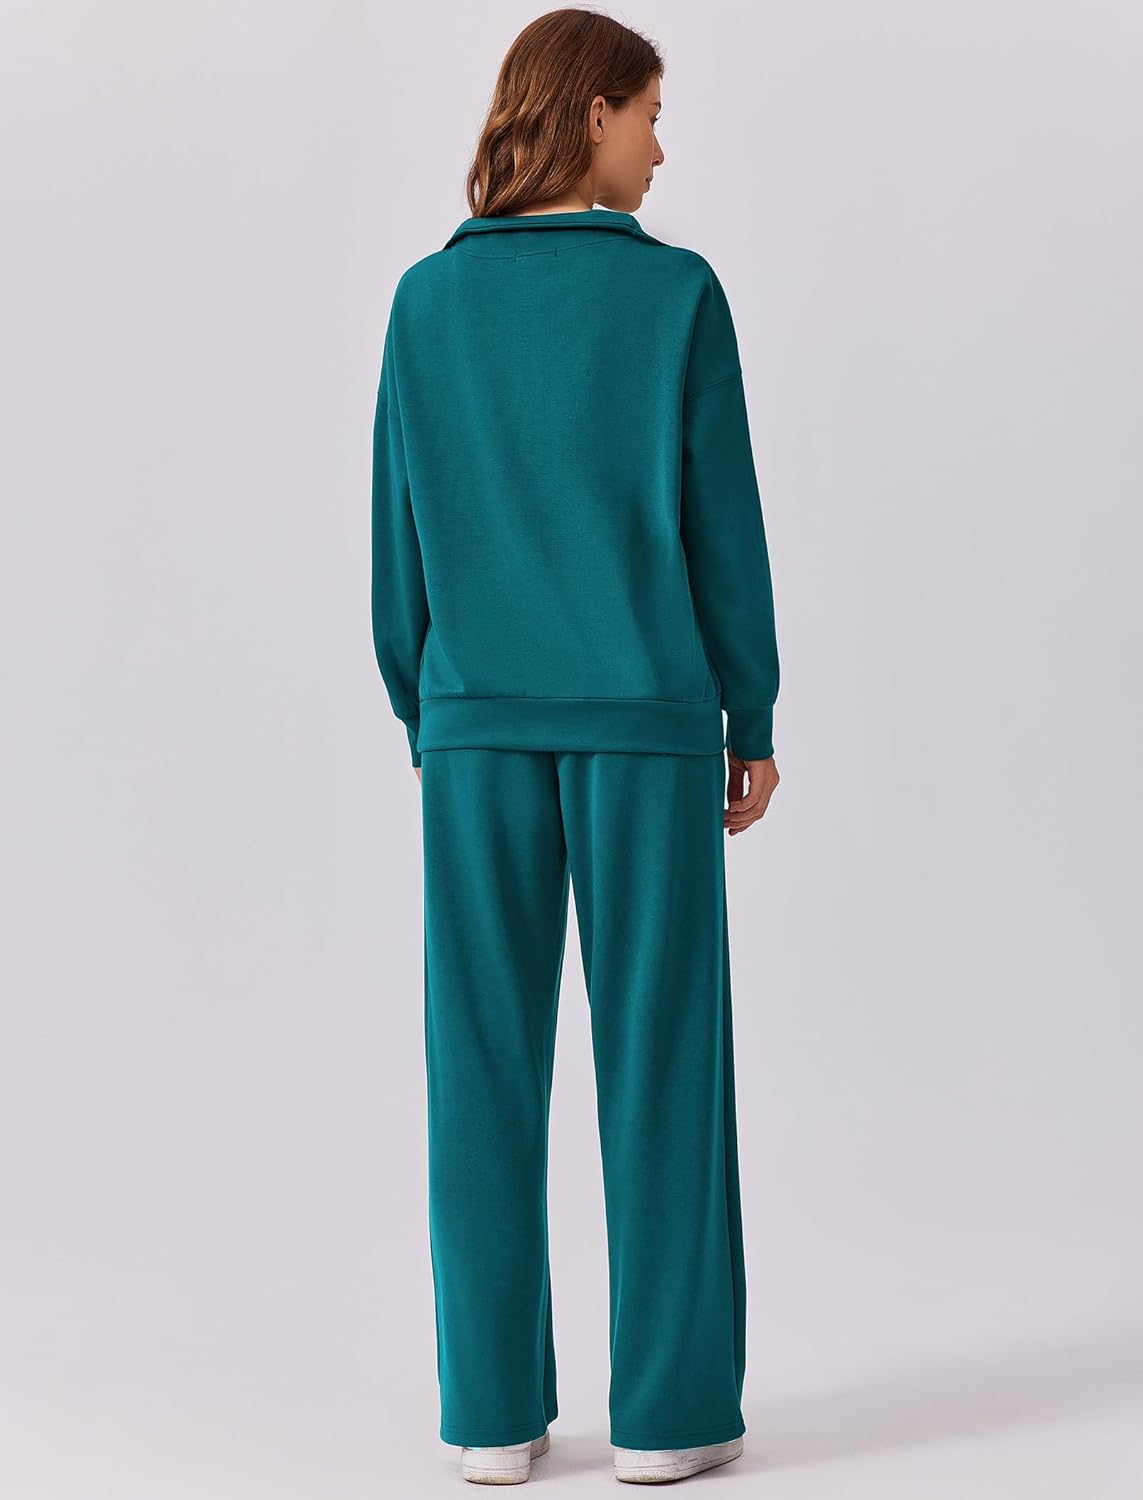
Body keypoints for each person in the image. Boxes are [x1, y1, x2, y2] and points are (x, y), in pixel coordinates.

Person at [370, 7, 780, 1486]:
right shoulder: (675, 297)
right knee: (663, 1062)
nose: (662, 148)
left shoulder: (426, 303)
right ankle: (669, 1417)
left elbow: (397, 546)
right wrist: (751, 712)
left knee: (478, 1066)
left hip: (476, 730)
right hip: (648, 727)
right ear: (593, 112)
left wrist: (432, 711)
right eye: (651, 115)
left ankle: (491, 1415)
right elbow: (722, 528)